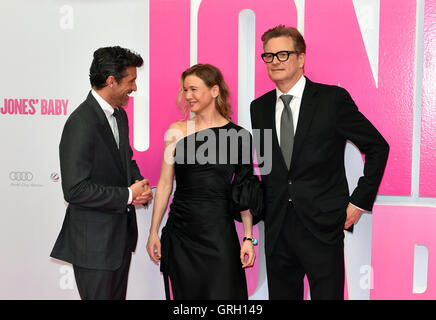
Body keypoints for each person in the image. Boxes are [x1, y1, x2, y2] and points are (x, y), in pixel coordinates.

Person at [250, 25, 389, 300]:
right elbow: (269, 166)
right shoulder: (260, 107)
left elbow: (377, 147)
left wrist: (358, 202)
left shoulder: (332, 100)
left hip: (323, 226)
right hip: (277, 230)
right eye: (268, 56)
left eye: (283, 54)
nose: (275, 61)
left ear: (301, 58)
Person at [146, 64, 262, 300]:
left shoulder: (239, 137)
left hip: (218, 232)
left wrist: (248, 237)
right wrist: (153, 232)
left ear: (215, 90)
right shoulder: (176, 132)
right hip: (181, 232)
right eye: (185, 90)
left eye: (194, 89)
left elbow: (244, 191)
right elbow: (165, 185)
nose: (188, 96)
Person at [50, 46, 153, 300]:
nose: (135, 89)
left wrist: (138, 183)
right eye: (131, 81)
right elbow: (75, 189)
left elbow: (125, 159)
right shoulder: (81, 122)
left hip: (118, 241)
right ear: (111, 81)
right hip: (93, 247)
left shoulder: (119, 115)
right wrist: (128, 195)